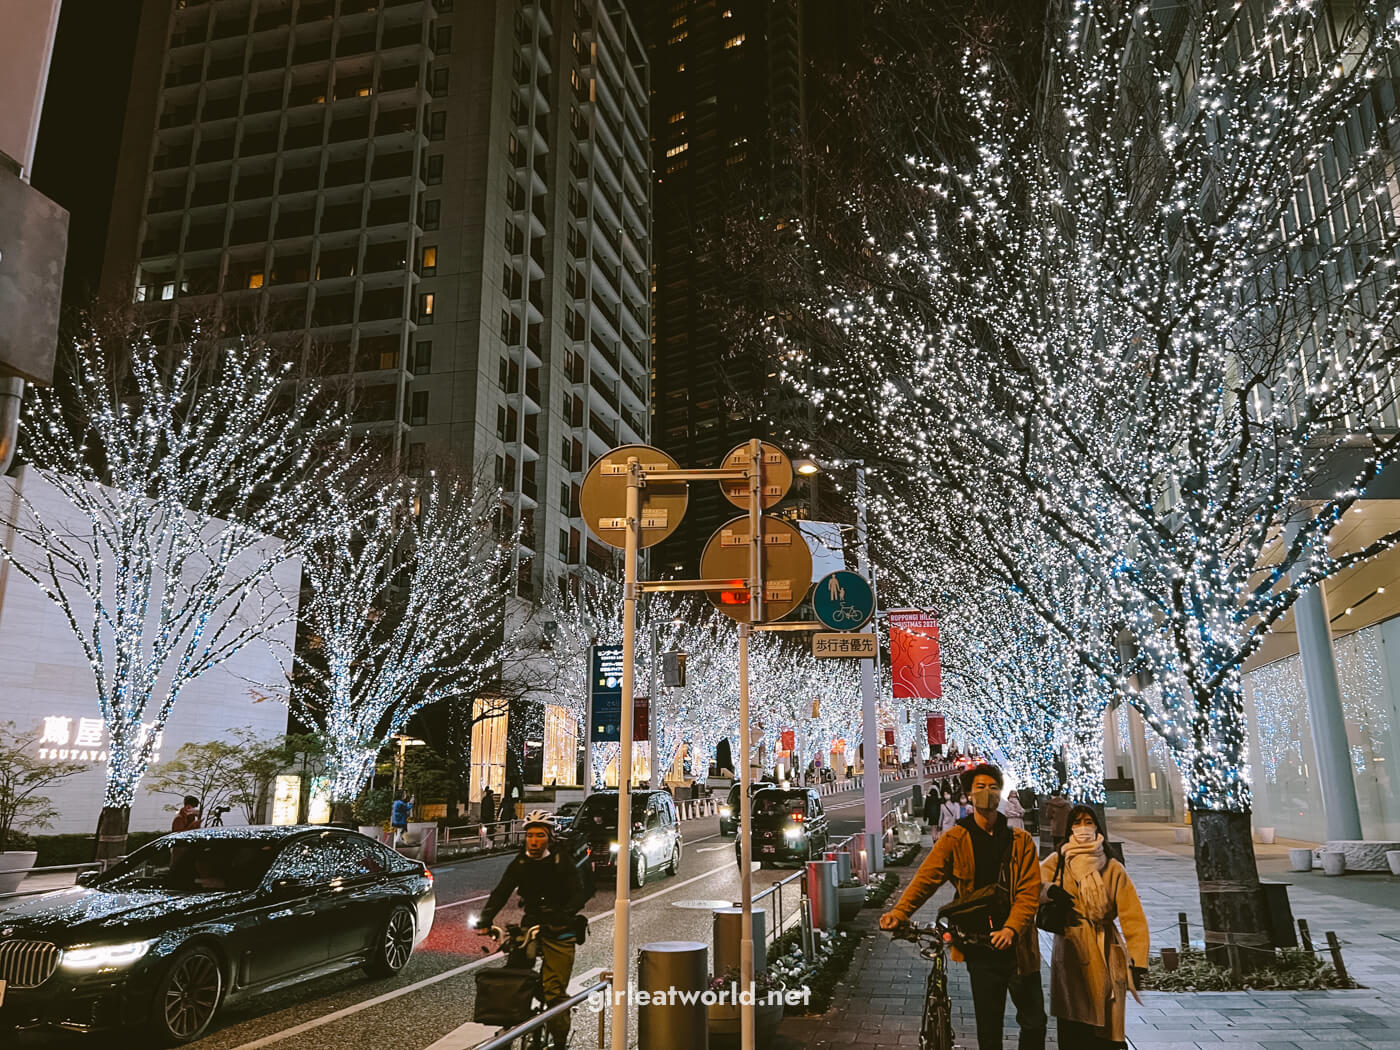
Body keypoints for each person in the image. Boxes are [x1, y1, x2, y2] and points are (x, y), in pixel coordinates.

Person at [880, 763, 1046, 1050]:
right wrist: (900, 912)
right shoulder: (955, 839)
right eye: (980, 787)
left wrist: (1012, 928)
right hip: (979, 945)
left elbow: (1028, 892)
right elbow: (926, 879)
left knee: (1034, 1022)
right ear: (968, 795)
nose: (987, 793)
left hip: (1020, 947)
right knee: (989, 1028)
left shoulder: (1020, 841)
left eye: (993, 787)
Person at [476, 812, 589, 1049]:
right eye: (530, 836)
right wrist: (485, 918)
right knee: (513, 979)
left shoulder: (561, 859)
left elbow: (580, 891)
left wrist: (565, 913)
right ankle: (509, 1032)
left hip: (560, 927)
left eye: (539, 835)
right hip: (532, 922)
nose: (534, 841)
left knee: (554, 991)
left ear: (549, 837)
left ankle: (559, 1042)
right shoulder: (521, 862)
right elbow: (502, 890)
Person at [1041, 806, 1149, 1049]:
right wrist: (1049, 891)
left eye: (1088, 821)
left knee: (1106, 1026)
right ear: (1069, 827)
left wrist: (1138, 961)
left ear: (1097, 826)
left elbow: (1133, 916)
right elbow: (1031, 885)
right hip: (1070, 948)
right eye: (1077, 822)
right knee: (1073, 1024)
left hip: (1105, 952)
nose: (1083, 827)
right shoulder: (1058, 861)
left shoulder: (1112, 866)